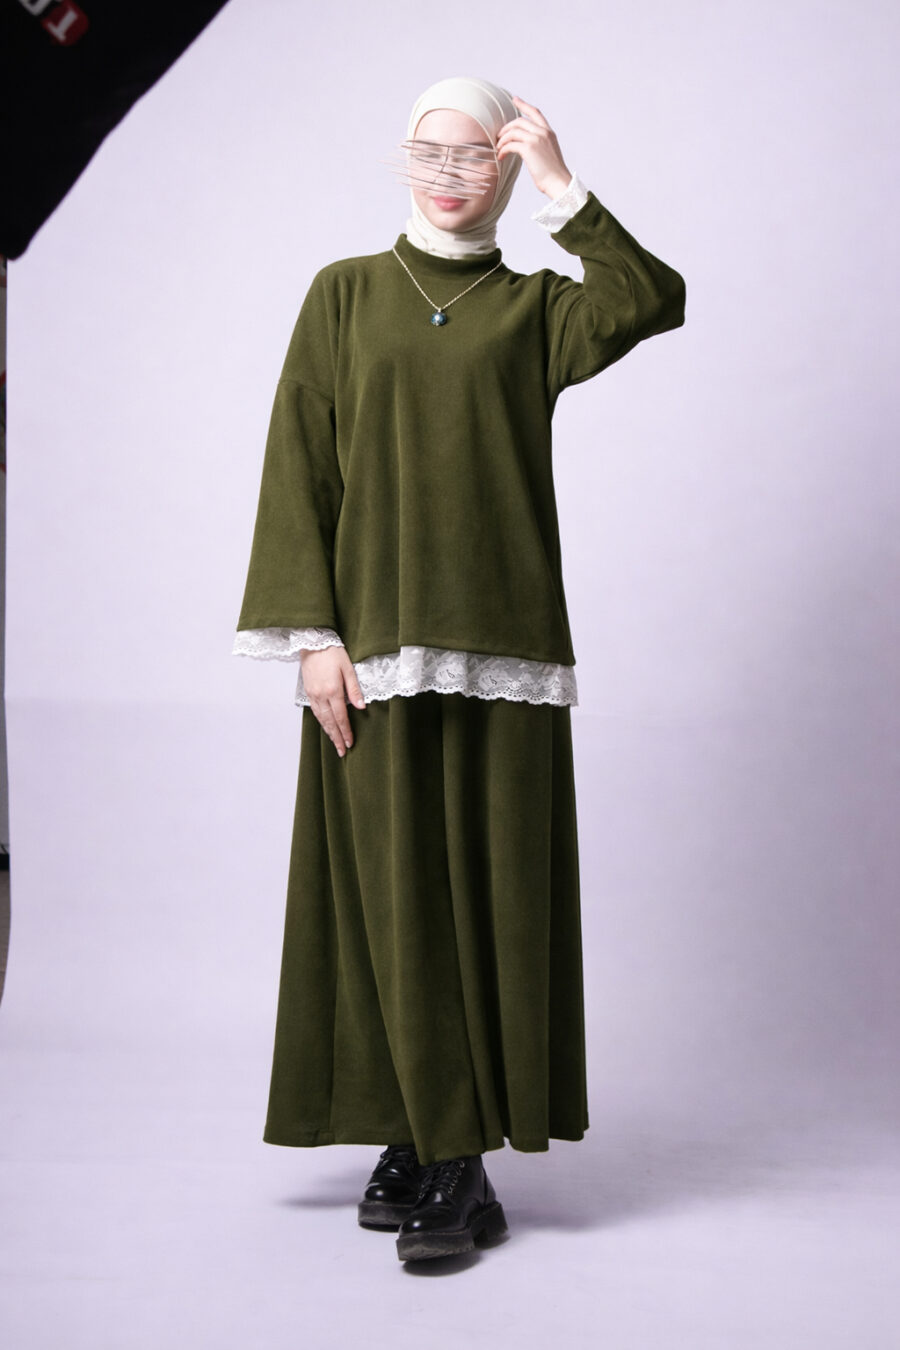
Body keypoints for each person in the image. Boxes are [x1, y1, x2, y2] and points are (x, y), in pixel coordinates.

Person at [233, 75, 686, 1264]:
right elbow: (299, 461)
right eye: (431, 150)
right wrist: (311, 636)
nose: (450, 171)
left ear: (504, 167)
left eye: (477, 153)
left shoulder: (535, 309)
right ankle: (421, 1132)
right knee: (384, 897)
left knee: (489, 898)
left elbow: (653, 298)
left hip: (505, 649)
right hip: (371, 648)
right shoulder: (344, 293)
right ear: (403, 157)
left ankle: (457, 1157)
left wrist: (564, 186)